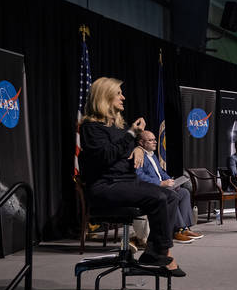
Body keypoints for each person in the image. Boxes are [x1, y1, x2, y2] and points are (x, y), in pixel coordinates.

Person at [78, 77, 184, 275]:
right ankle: (158, 254)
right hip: (106, 186)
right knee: (159, 197)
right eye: (118, 93)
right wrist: (131, 135)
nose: (123, 97)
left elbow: (122, 150)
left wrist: (138, 148)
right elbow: (106, 156)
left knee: (171, 195)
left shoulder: (117, 128)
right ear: (105, 97)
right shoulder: (90, 128)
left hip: (127, 182)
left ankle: (155, 251)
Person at [135, 130, 202, 243]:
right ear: (141, 143)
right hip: (151, 190)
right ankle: (179, 230)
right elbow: (139, 176)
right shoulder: (139, 155)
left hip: (163, 188)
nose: (155, 142)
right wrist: (160, 183)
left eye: (155, 139)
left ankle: (183, 228)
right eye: (151, 140)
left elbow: (161, 172)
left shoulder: (153, 156)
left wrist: (171, 181)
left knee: (184, 192)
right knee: (172, 195)